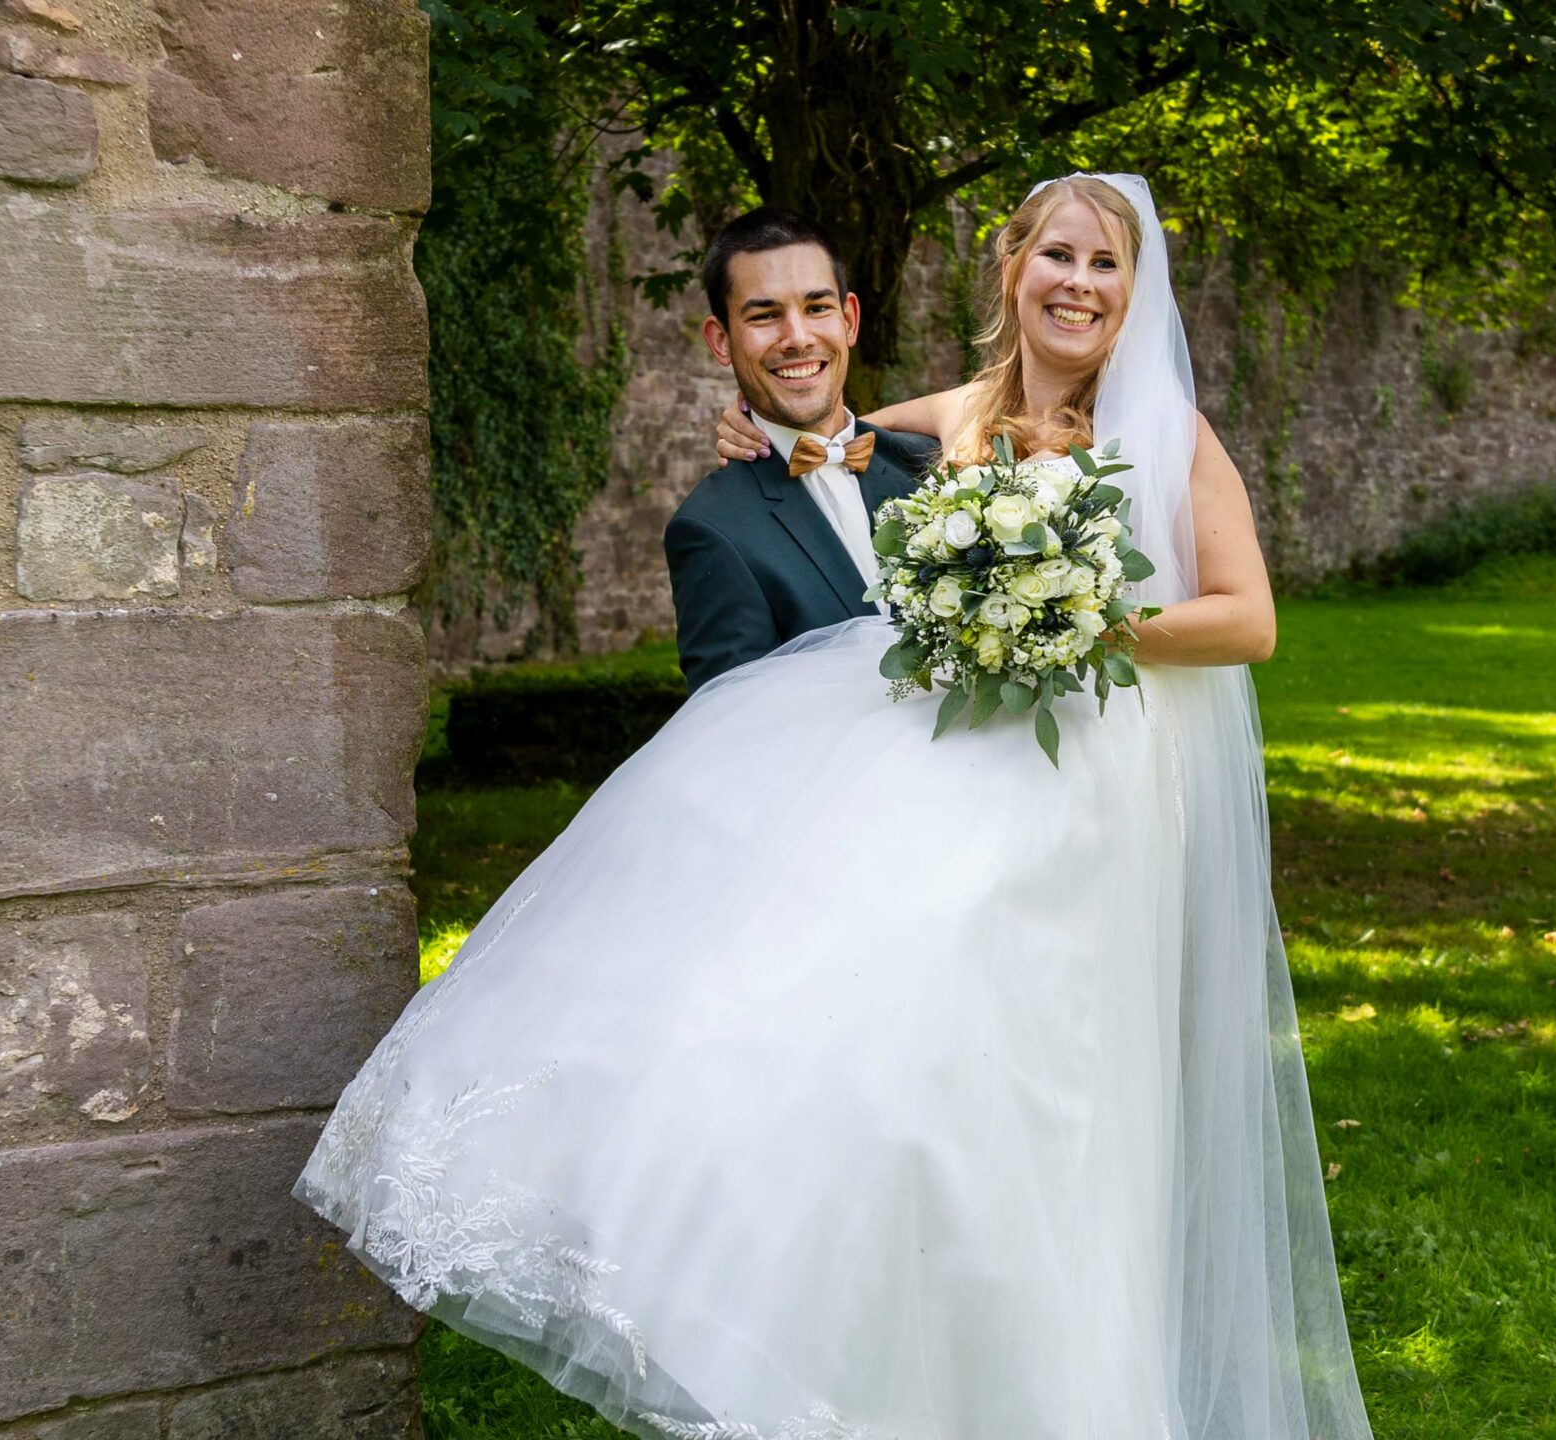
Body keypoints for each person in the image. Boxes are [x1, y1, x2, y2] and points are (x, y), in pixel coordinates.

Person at [296, 174, 1373, 1440]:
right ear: (1013, 268)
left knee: (1049, 1091)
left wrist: (1079, 613)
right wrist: (757, 436)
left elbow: (1247, 621)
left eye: (1107, 265)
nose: (1079, 284)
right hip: (964, 766)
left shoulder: (1169, 432)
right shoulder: (952, 421)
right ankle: (854, 1339)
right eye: (1058, 257)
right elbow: (833, 437)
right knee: (910, 1068)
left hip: (1094, 789)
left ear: (1135, 293)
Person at [663, 208, 937, 690]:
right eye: (765, 316)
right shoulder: (712, 529)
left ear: (849, 319)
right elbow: (726, 735)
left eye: (817, 308)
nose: (798, 338)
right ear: (721, 340)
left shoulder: (934, 465)